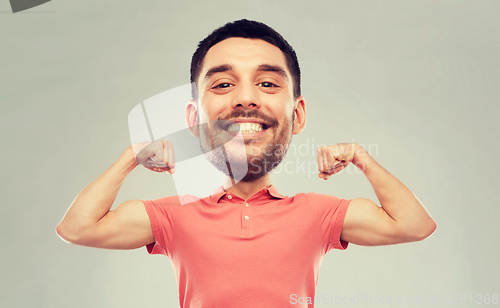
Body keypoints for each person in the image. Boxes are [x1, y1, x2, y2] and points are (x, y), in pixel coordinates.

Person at [56, 19, 436, 308]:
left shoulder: (317, 214)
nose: (246, 98)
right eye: (222, 84)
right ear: (193, 119)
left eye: (269, 84)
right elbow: (77, 228)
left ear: (298, 115)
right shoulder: (174, 216)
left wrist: (361, 158)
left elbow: (414, 225)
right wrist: (131, 157)